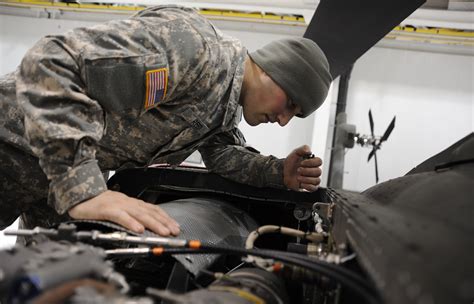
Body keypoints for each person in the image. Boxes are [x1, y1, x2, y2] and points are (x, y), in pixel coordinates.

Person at [0, 5, 332, 237]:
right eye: (290, 103)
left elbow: (221, 154)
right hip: (12, 143)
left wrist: (277, 172)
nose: (285, 121)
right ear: (273, 70)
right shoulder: (194, 50)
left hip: (45, 176)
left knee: (54, 273)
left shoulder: (223, 106)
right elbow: (54, 63)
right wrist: (82, 186)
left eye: (296, 115)